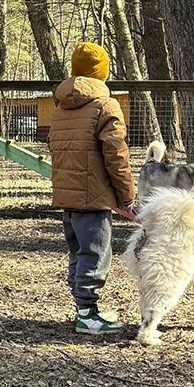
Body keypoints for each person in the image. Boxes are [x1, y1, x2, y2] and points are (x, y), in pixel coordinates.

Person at [48, 42, 136, 334]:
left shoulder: (61, 107)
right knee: (95, 254)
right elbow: (116, 153)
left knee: (78, 252)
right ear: (102, 71)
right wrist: (126, 195)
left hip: (68, 195)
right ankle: (87, 314)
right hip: (94, 197)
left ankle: (84, 308)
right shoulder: (105, 105)